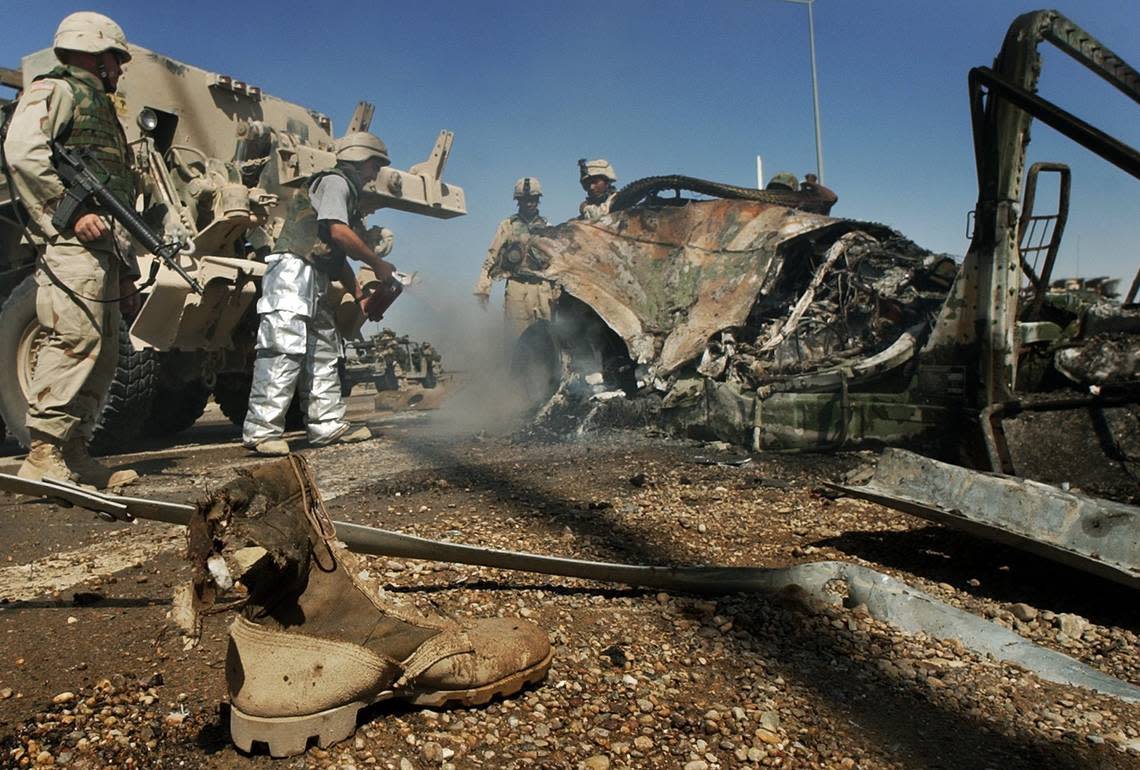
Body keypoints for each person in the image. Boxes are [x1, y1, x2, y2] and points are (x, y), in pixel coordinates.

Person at [4, 12, 141, 489]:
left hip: (105, 249)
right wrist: (65, 210)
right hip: (72, 244)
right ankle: (43, 452)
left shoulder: (104, 112)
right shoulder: (55, 89)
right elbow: (22, 152)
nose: (120, 69)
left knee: (101, 353)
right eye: (115, 59)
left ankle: (74, 451)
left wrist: (126, 270)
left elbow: (116, 197)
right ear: (92, 51)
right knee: (74, 338)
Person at [242, 131, 397, 455]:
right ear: (359, 160)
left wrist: (358, 294)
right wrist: (377, 263)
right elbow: (340, 234)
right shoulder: (336, 182)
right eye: (374, 165)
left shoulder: (344, 194)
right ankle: (261, 432)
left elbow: (334, 255)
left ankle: (327, 426)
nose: (374, 174)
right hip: (292, 270)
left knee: (324, 350)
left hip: (316, 275)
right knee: (282, 348)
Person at [473, 177, 558, 337]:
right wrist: (483, 288)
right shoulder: (508, 225)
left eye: (533, 199)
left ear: (538, 200)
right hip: (517, 286)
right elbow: (492, 256)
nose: (529, 203)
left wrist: (557, 293)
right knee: (516, 337)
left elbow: (556, 262)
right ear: (518, 201)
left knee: (547, 337)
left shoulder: (548, 227)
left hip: (543, 287)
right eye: (525, 199)